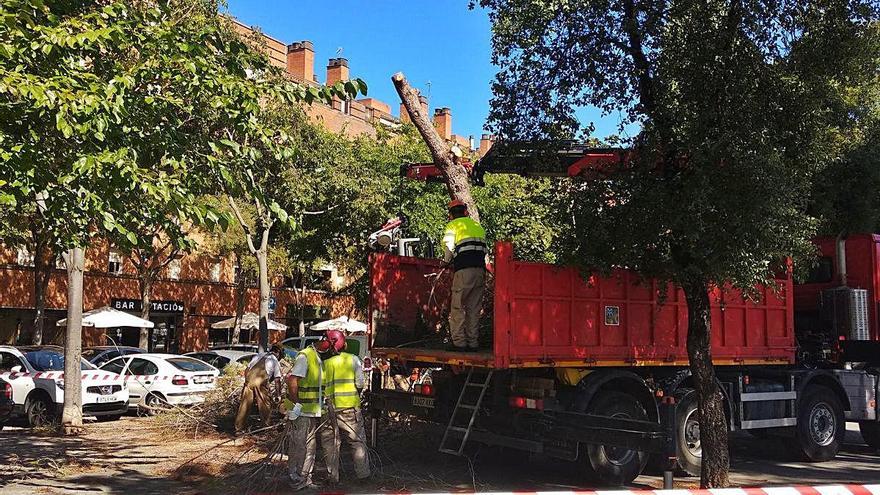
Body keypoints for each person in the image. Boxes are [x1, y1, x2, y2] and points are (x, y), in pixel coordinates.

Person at [320, 330, 370, 484]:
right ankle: (363, 476)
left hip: (329, 410)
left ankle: (332, 477)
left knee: (330, 444)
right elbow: (360, 383)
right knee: (357, 442)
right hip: (350, 410)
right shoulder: (353, 359)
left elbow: (321, 386)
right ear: (345, 344)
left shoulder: (324, 364)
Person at [442, 199, 488, 351]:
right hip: (480, 271)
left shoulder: (453, 225)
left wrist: (445, 261)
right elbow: (484, 250)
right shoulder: (477, 226)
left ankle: (459, 343)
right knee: (474, 308)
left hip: (463, 270)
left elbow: (449, 246)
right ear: (466, 212)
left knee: (458, 307)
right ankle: (473, 343)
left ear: (450, 215)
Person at [285, 334, 329, 490]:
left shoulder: (317, 357)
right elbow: (292, 380)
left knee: (309, 445)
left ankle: (304, 477)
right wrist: (296, 403)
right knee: (299, 444)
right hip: (301, 410)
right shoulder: (305, 356)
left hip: (312, 411)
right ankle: (295, 476)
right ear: (323, 341)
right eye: (330, 345)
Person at [234, 343, 284, 433]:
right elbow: (277, 380)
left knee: (244, 405)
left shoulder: (259, 355)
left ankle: (239, 429)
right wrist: (278, 395)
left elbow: (247, 369)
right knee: (265, 405)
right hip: (260, 382)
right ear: (279, 352)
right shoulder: (274, 360)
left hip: (248, 381)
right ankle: (266, 428)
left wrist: (247, 382)